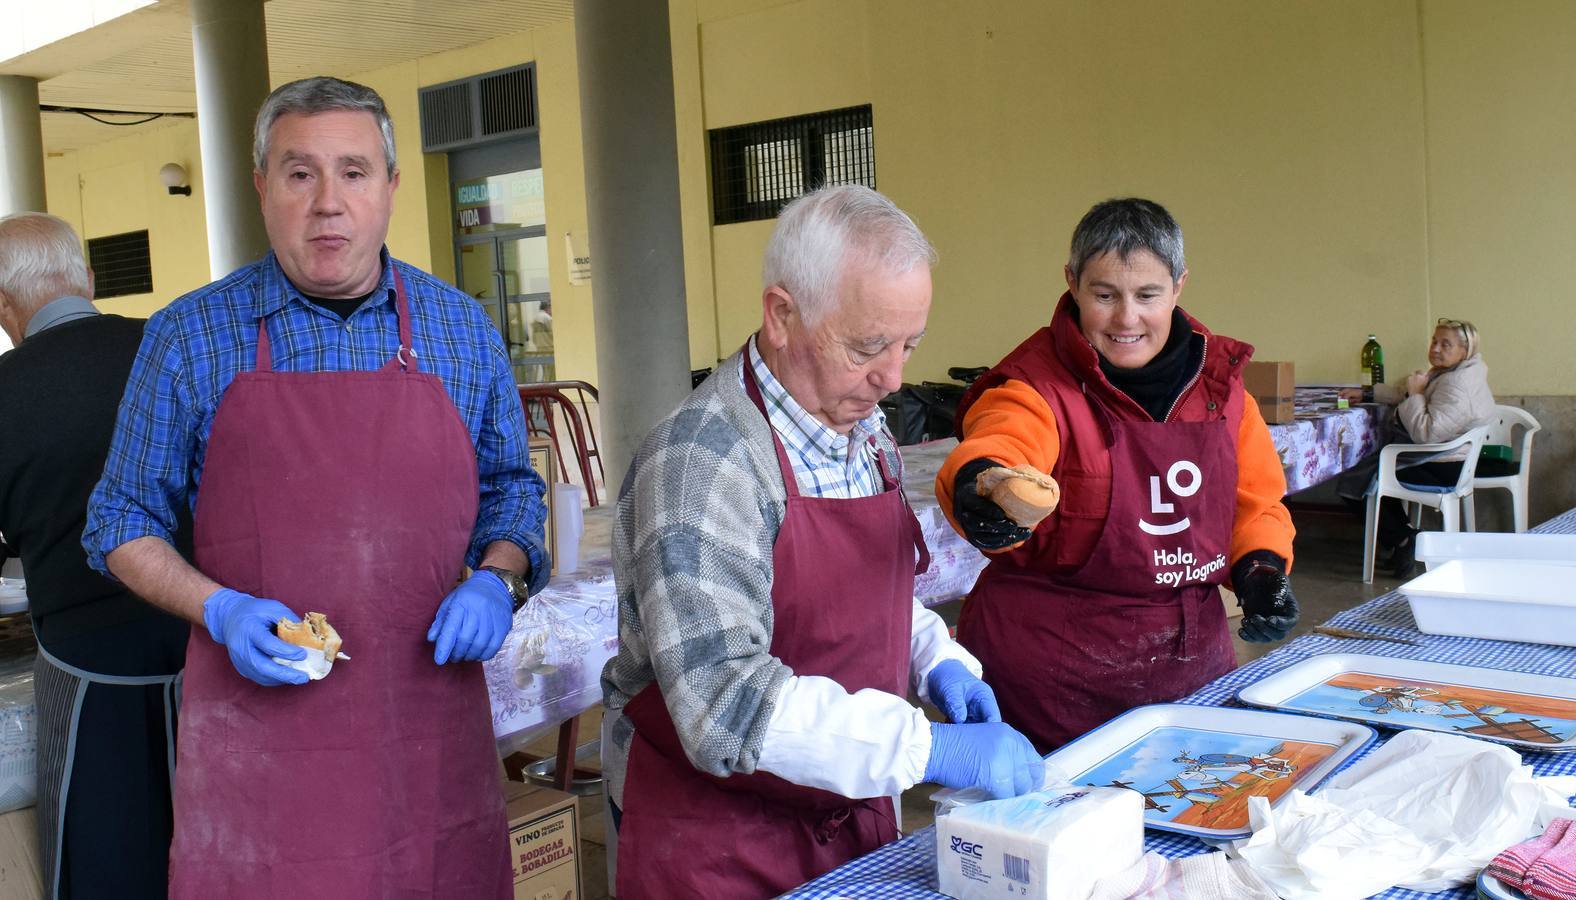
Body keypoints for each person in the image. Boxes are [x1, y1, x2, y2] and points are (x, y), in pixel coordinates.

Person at [81, 77, 548, 899]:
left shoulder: (460, 331)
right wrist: (217, 609)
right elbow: (118, 521)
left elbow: (514, 493)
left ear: (392, 189)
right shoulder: (188, 339)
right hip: (259, 761)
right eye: (300, 174)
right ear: (261, 187)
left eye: (355, 173)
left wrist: (496, 578)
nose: (328, 203)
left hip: (426, 746)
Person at [600, 185, 1045, 900]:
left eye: (909, 345)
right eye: (868, 346)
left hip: (848, 807)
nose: (893, 378)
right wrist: (930, 747)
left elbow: (863, 599)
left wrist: (938, 663)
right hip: (719, 841)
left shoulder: (860, 429)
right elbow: (724, 705)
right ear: (782, 315)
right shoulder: (702, 464)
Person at [935, 198, 1300, 753]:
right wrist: (981, 481)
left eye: (1147, 295)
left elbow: (1255, 502)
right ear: (1072, 284)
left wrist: (1261, 567)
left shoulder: (1225, 396)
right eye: (1104, 295)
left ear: (1179, 286)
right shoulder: (1037, 385)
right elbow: (1003, 439)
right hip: (1051, 678)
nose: (1126, 319)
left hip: (1188, 663)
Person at [0, 212, 190, 899]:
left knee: (101, 863)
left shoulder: (5, 389)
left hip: (85, 668)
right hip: (214, 643)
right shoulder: (172, 352)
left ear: (4, 305)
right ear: (83, 277)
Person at [1348, 318, 1499, 577]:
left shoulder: (1457, 384)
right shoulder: (1454, 372)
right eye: (1434, 341)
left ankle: (1406, 540)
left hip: (1445, 464)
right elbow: (1406, 393)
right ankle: (1402, 541)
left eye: (1446, 344)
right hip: (1449, 458)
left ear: (1465, 351)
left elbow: (1426, 433)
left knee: (1359, 477)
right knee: (1372, 469)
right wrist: (1370, 395)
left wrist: (1416, 394)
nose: (1436, 348)